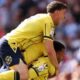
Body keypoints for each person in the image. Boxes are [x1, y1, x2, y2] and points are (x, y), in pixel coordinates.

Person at [0, 1, 68, 80]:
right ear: (57, 12)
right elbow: (49, 49)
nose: (64, 17)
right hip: (10, 45)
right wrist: (57, 68)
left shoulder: (40, 17)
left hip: (11, 46)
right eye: (63, 13)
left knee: (17, 75)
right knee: (23, 75)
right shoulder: (48, 21)